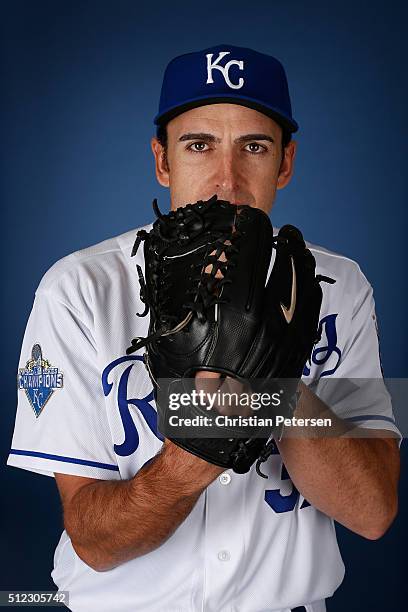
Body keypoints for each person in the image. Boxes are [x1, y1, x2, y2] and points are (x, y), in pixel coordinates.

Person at [8, 44, 400, 612]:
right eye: (199, 146)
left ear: (285, 163)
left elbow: (373, 511)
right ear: (163, 161)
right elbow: (93, 540)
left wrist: (276, 386)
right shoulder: (79, 289)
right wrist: (207, 434)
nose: (227, 180)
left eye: (255, 147)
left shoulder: (340, 285)